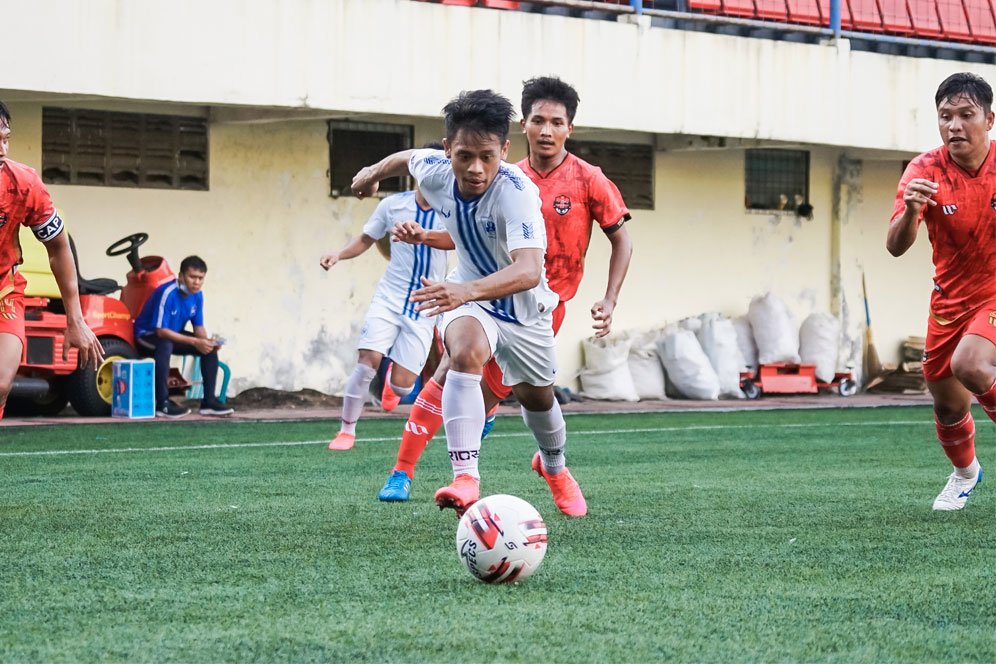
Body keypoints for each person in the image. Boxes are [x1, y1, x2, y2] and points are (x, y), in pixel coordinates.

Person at [377, 76, 632, 506]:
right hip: (474, 299)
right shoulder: (449, 168)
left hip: (534, 305)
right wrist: (371, 173)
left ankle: (553, 466)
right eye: (538, 120)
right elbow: (410, 160)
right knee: (461, 359)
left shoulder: (536, 186)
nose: (475, 167)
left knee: (537, 398)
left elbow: (530, 270)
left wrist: (609, 298)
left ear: (570, 128)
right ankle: (460, 478)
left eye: (556, 121)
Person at [887, 72, 996, 511]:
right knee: (949, 406)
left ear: (989, 119)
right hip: (949, 301)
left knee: (970, 363)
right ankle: (966, 473)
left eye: (965, 114)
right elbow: (895, 246)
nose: (954, 125)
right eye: (945, 116)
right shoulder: (924, 170)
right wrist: (912, 210)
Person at [320, 175, 448, 451]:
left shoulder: (452, 209)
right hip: (389, 295)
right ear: (416, 173)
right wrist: (339, 255)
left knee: (403, 387)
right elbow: (368, 238)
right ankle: (346, 431)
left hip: (425, 303)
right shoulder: (393, 205)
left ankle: (391, 383)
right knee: (367, 358)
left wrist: (425, 236)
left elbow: (460, 241)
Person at [0, 101, 103, 421]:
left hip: (4, 292)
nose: (2, 148)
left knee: (1, 383)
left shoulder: (24, 184)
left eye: (5, 137)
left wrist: (75, 318)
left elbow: (58, 248)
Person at [133, 255, 234, 418]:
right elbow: (161, 332)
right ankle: (163, 404)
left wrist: (207, 342)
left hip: (172, 335)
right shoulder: (167, 293)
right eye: (192, 277)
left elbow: (198, 326)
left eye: (201, 278)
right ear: (180, 276)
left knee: (209, 349)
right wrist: (195, 341)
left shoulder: (198, 295)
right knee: (165, 345)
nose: (197, 282)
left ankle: (208, 402)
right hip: (147, 335)